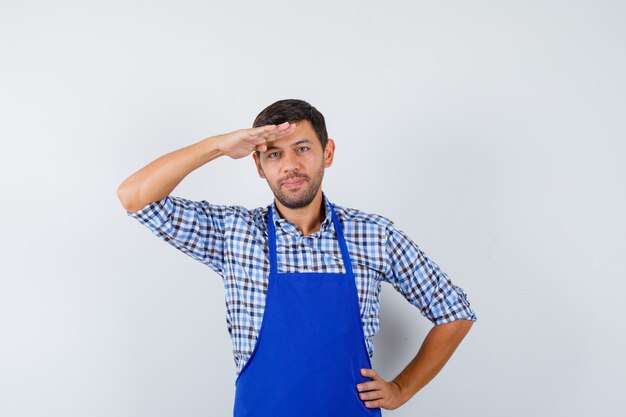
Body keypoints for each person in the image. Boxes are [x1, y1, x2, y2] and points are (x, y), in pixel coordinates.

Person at [116, 98, 477, 416]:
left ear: (328, 153)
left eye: (302, 149)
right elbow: (135, 196)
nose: (290, 164)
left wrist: (401, 389)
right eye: (274, 154)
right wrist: (218, 146)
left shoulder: (374, 235)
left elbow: (454, 311)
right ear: (259, 166)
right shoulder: (233, 234)